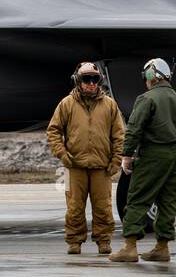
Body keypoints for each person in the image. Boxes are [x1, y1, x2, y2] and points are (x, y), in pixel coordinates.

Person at [110, 58, 176, 263]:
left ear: (152, 76)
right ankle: (162, 247)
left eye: (145, 75)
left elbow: (134, 129)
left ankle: (129, 247)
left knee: (137, 198)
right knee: (167, 201)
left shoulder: (147, 99)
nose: (144, 80)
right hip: (173, 156)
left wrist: (126, 156)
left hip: (152, 155)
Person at [46, 62, 125, 254]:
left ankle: (103, 241)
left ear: (99, 81)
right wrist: (62, 154)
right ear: (77, 81)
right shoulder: (66, 104)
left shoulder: (109, 105)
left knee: (103, 207)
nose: (90, 83)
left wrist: (116, 160)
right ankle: (74, 242)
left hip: (101, 167)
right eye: (86, 79)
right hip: (74, 167)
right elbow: (53, 131)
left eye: (94, 79)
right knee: (74, 207)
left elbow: (119, 135)